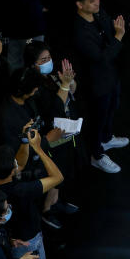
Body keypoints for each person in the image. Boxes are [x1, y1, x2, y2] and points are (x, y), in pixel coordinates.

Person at [72, 0, 130, 173]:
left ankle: (107, 138)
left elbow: (114, 34)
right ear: (80, 4)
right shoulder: (80, 32)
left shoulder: (99, 14)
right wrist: (119, 37)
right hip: (95, 81)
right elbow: (101, 57)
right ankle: (96, 155)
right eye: (92, 0)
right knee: (98, 117)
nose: (97, 3)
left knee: (113, 106)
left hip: (111, 74)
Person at [0, 69, 64, 230]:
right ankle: (45, 213)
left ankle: (53, 204)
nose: (36, 90)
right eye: (34, 88)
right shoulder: (7, 118)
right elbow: (18, 157)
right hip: (27, 171)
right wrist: (47, 140)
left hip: (37, 159)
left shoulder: (26, 101)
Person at [24, 42, 81, 215]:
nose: (48, 62)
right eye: (43, 59)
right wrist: (64, 85)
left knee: (65, 168)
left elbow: (71, 91)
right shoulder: (34, 85)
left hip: (65, 130)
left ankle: (57, 202)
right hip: (51, 135)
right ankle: (48, 210)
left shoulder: (51, 76)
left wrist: (69, 83)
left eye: (49, 58)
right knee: (55, 170)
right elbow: (54, 109)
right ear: (32, 64)